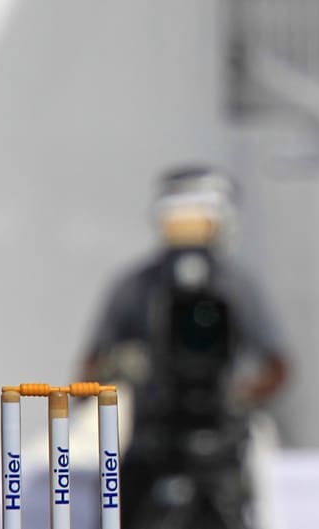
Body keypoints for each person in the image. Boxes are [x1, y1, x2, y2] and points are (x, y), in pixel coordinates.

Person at [79, 165, 290, 529]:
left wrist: (240, 394)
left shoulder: (237, 288)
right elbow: (87, 373)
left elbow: (278, 366)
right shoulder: (135, 287)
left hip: (225, 441)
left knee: (259, 506)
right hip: (149, 439)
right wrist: (122, 368)